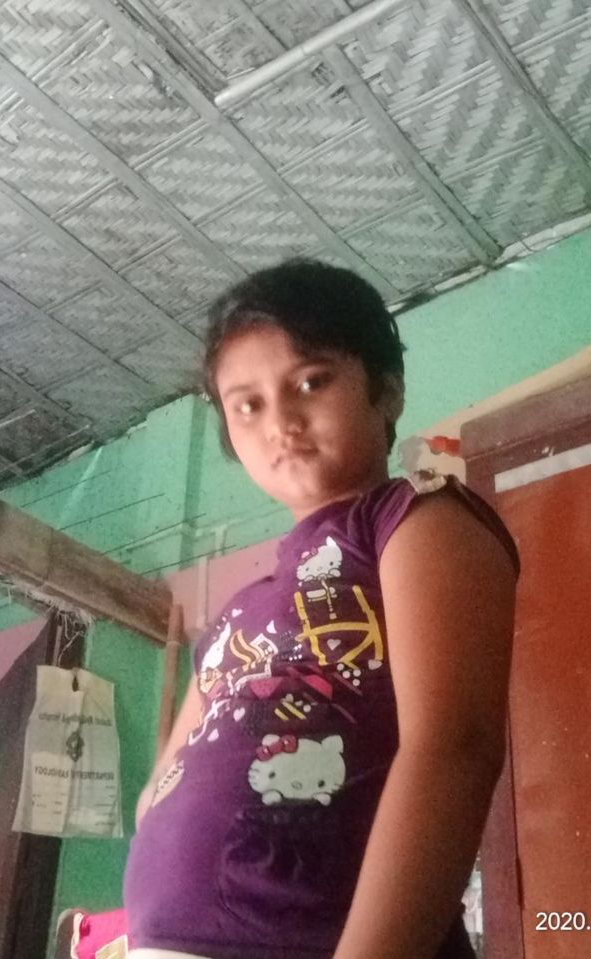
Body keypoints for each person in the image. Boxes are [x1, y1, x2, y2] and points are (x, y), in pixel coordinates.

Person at [124, 258, 519, 959]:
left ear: (386, 391)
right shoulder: (240, 610)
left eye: (310, 382)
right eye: (247, 404)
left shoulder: (413, 521)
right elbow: (166, 776)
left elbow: (453, 748)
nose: (280, 421)